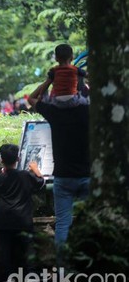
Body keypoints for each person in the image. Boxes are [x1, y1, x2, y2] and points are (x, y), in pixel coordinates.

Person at [28, 79, 90, 265]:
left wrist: (49, 80)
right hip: (86, 175)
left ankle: (63, 267)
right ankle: (89, 264)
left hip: (63, 177)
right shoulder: (87, 111)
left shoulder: (55, 113)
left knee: (63, 223)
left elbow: (31, 98)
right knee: (88, 221)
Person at [0, 144, 45, 282]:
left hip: (4, 219)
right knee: (28, 246)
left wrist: (3, 173)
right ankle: (32, 273)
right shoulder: (26, 176)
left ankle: (6, 276)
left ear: (1, 160)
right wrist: (36, 170)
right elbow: (41, 183)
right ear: (18, 158)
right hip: (23, 219)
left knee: (5, 249)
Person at [41, 43, 89, 108]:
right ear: (72, 57)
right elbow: (88, 76)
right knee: (86, 101)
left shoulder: (54, 71)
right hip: (73, 100)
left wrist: (41, 96)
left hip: (57, 101)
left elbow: (46, 85)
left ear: (56, 58)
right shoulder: (75, 69)